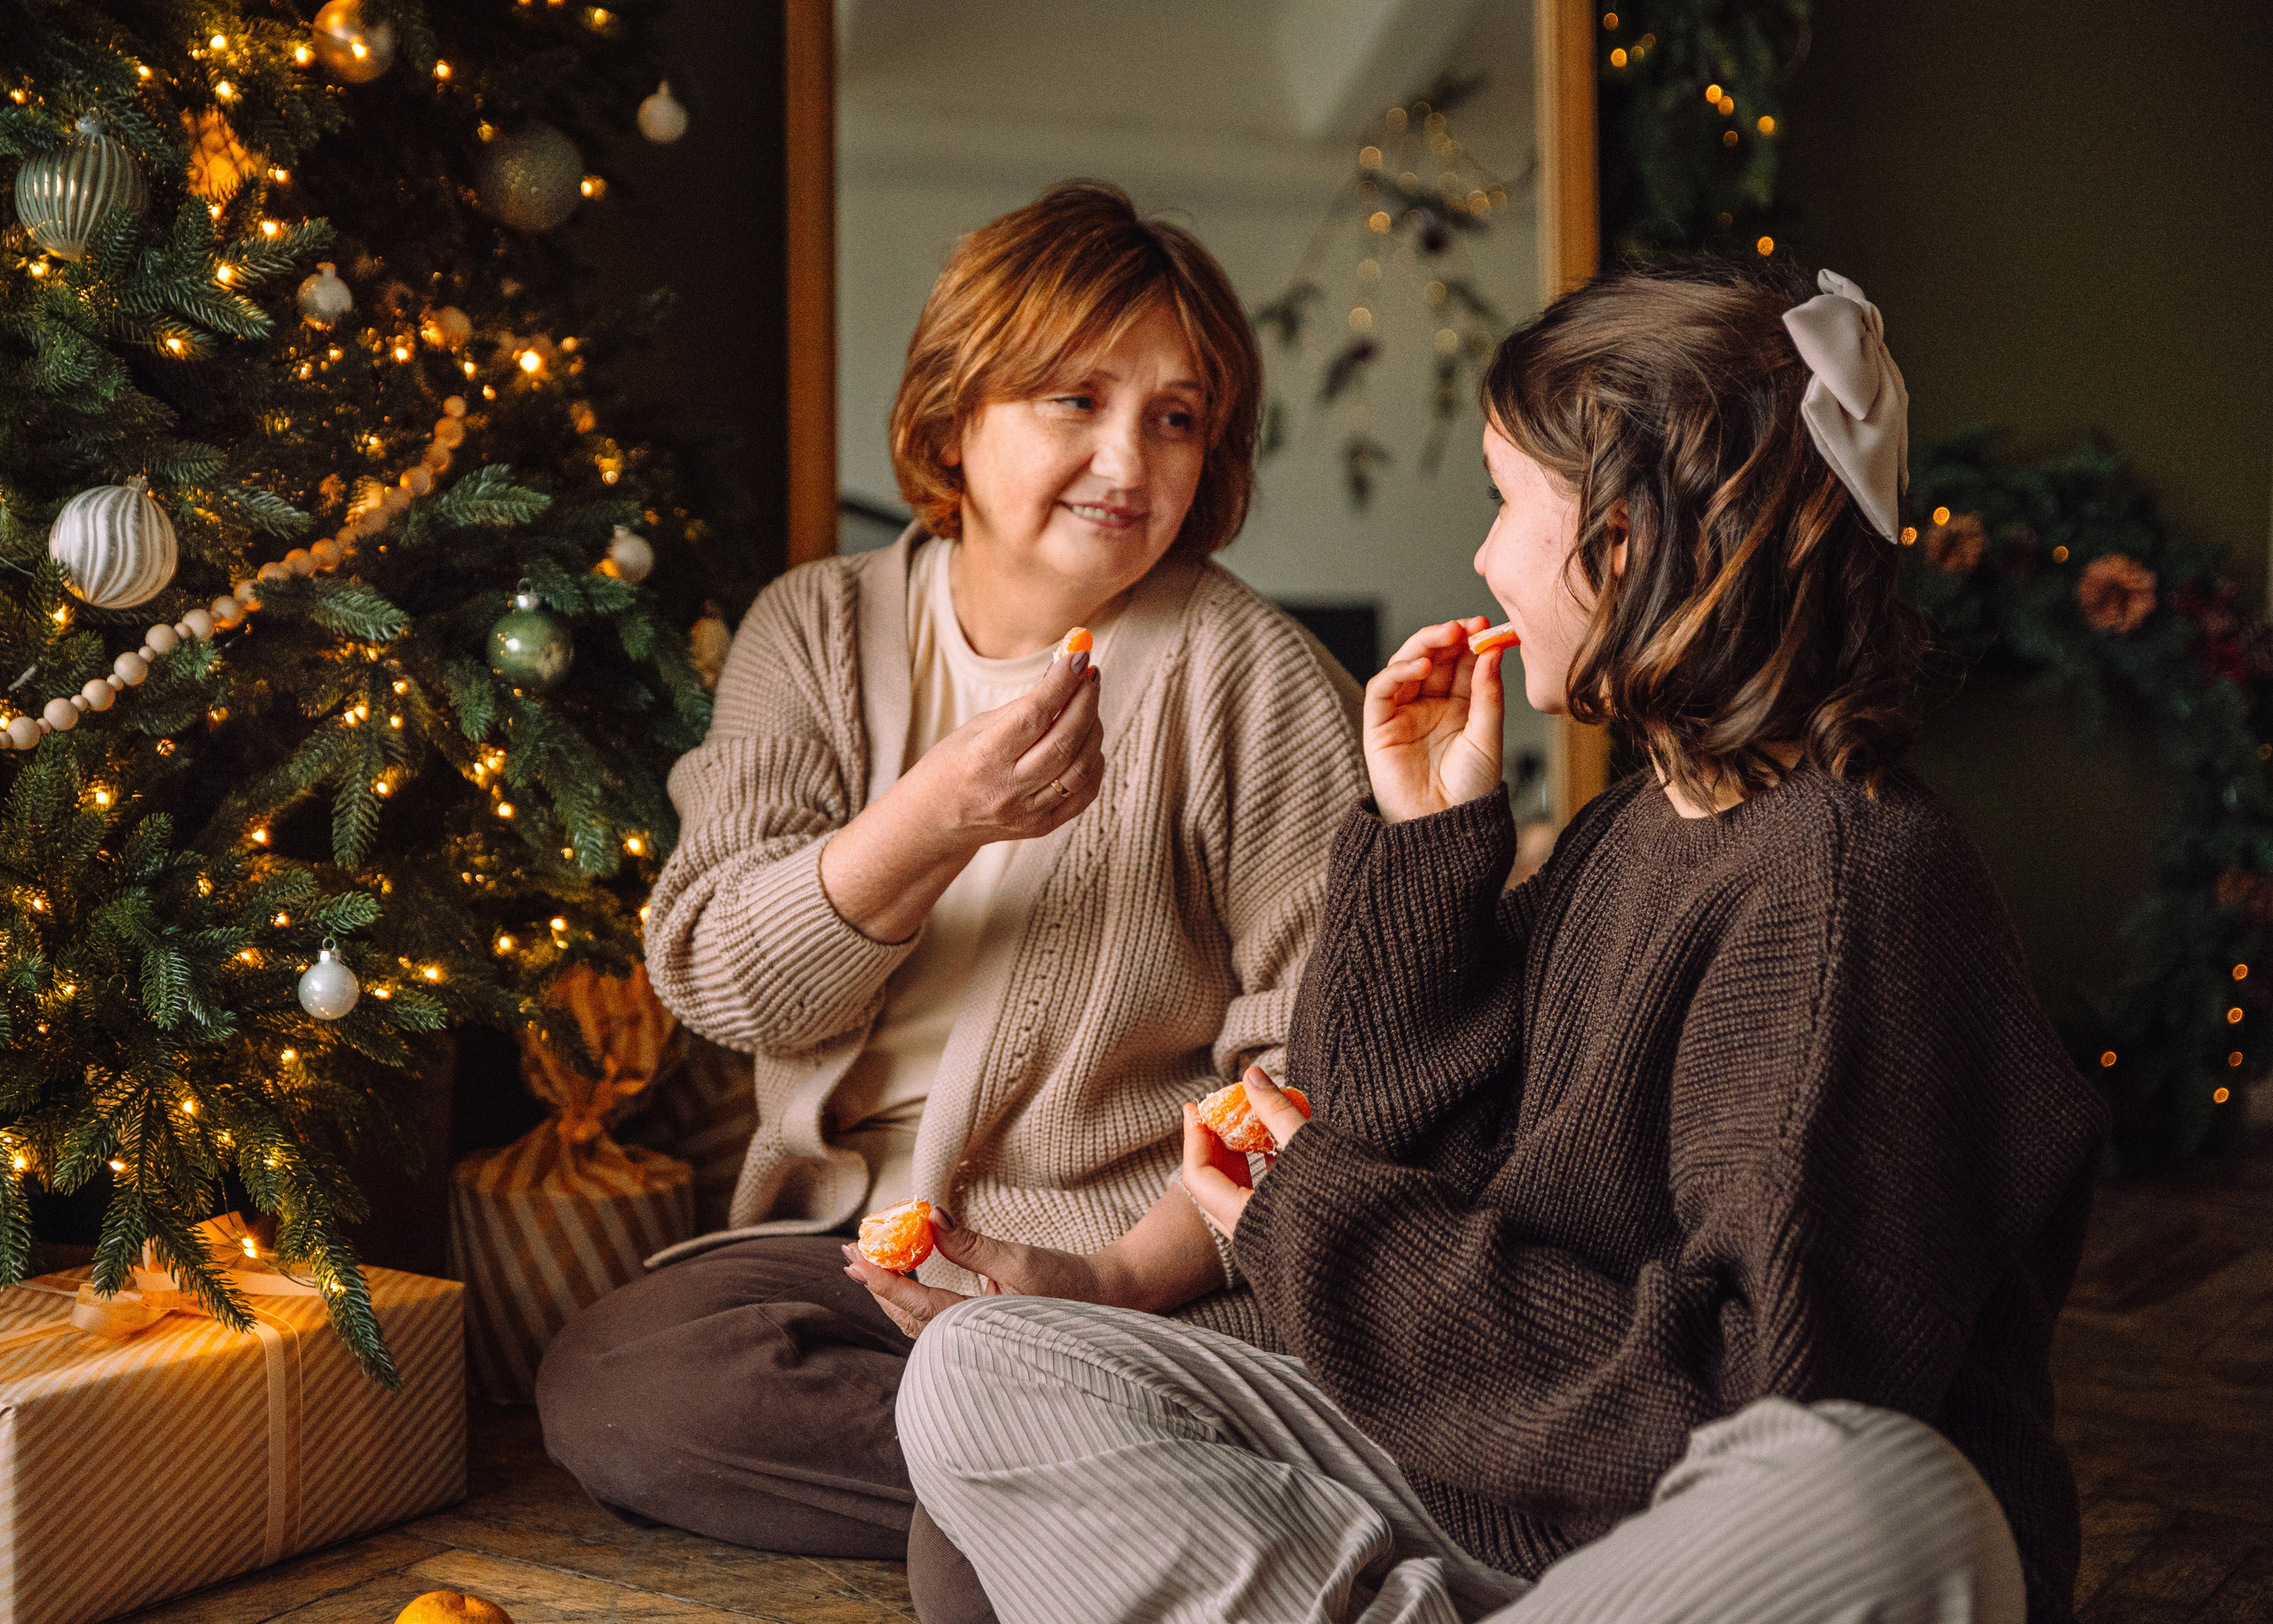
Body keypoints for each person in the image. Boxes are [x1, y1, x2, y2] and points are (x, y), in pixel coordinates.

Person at [895, 260, 2111, 1624]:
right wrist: (1425, 842)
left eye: (1504, 503)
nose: (1482, 560)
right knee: (984, 1369)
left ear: (1626, 544)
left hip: (1699, 1531)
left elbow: (1745, 1404)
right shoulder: (1625, 833)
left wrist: (1322, 1224)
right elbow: (1397, 1131)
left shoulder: (1850, 892)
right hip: (1488, 1483)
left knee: (1879, 1490)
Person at [533, 179, 1366, 1606]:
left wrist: (1112, 1281)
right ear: (954, 416)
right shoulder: (814, 628)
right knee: (619, 1381)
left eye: (1177, 417)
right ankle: (1075, 1479)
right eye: (1076, 399)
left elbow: (1320, 1064)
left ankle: (1047, 1465)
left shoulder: (1257, 681)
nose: (1129, 459)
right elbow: (719, 978)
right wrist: (928, 821)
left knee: (962, 1568)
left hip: (1129, 1276)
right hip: (856, 1255)